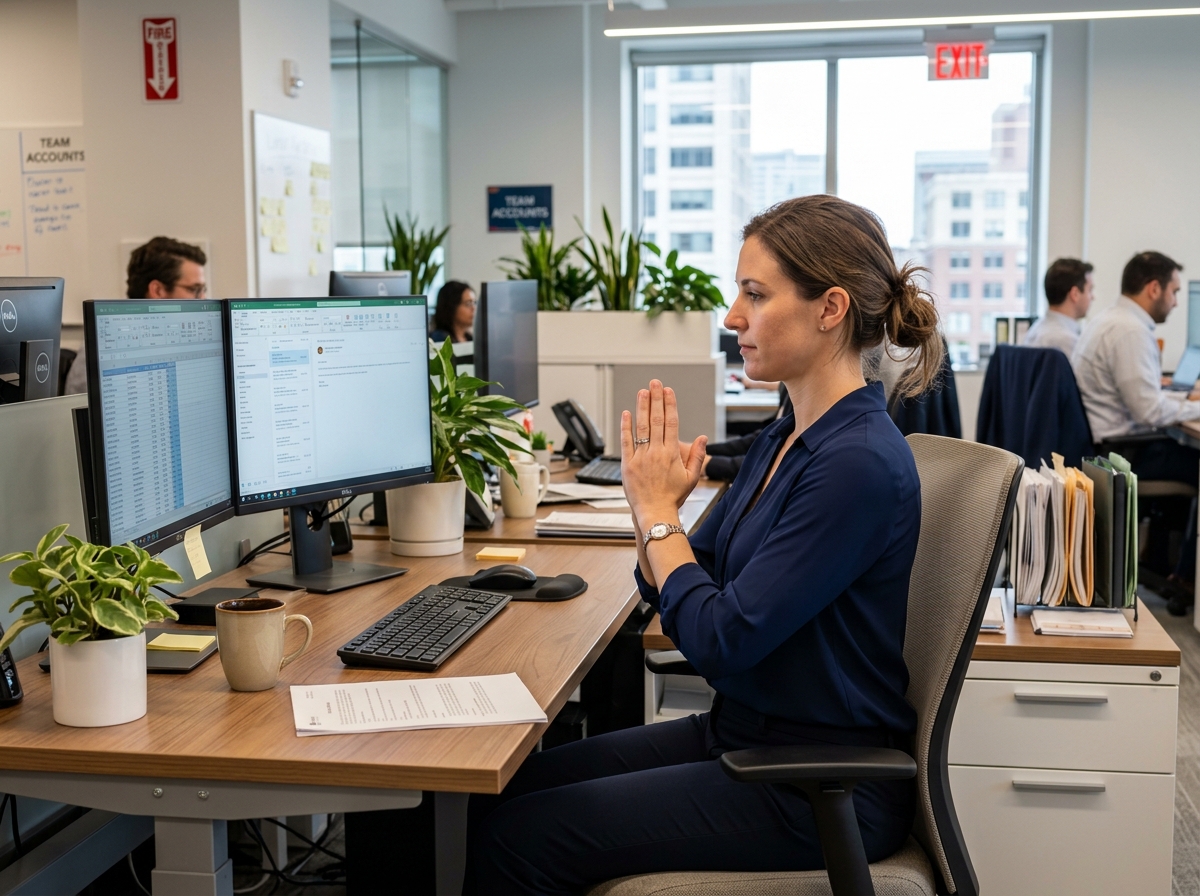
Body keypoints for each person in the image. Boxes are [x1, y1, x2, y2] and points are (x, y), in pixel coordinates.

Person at [464, 194, 943, 894]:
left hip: (817, 782)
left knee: (521, 838)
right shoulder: (788, 436)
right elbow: (681, 582)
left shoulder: (858, 463)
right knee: (507, 787)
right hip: (746, 736)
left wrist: (661, 518)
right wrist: (649, 511)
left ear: (830, 308)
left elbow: (719, 637)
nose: (732, 318)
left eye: (755, 294)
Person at [1073, 250, 1199, 613]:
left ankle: (1166, 565)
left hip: (1113, 445)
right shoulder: (1130, 330)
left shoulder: (1111, 319)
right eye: (1174, 292)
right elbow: (1149, 410)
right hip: (1125, 453)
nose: (1176, 303)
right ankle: (1186, 575)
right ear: (1154, 288)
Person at [65, 237, 208, 394]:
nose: (202, 299)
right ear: (158, 290)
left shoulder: (175, 338)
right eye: (194, 290)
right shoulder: (109, 342)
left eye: (203, 290)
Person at [1022, 258, 1094, 356]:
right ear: (1075, 294)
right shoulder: (1067, 341)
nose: (1093, 297)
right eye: (1090, 290)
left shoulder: (1034, 331)